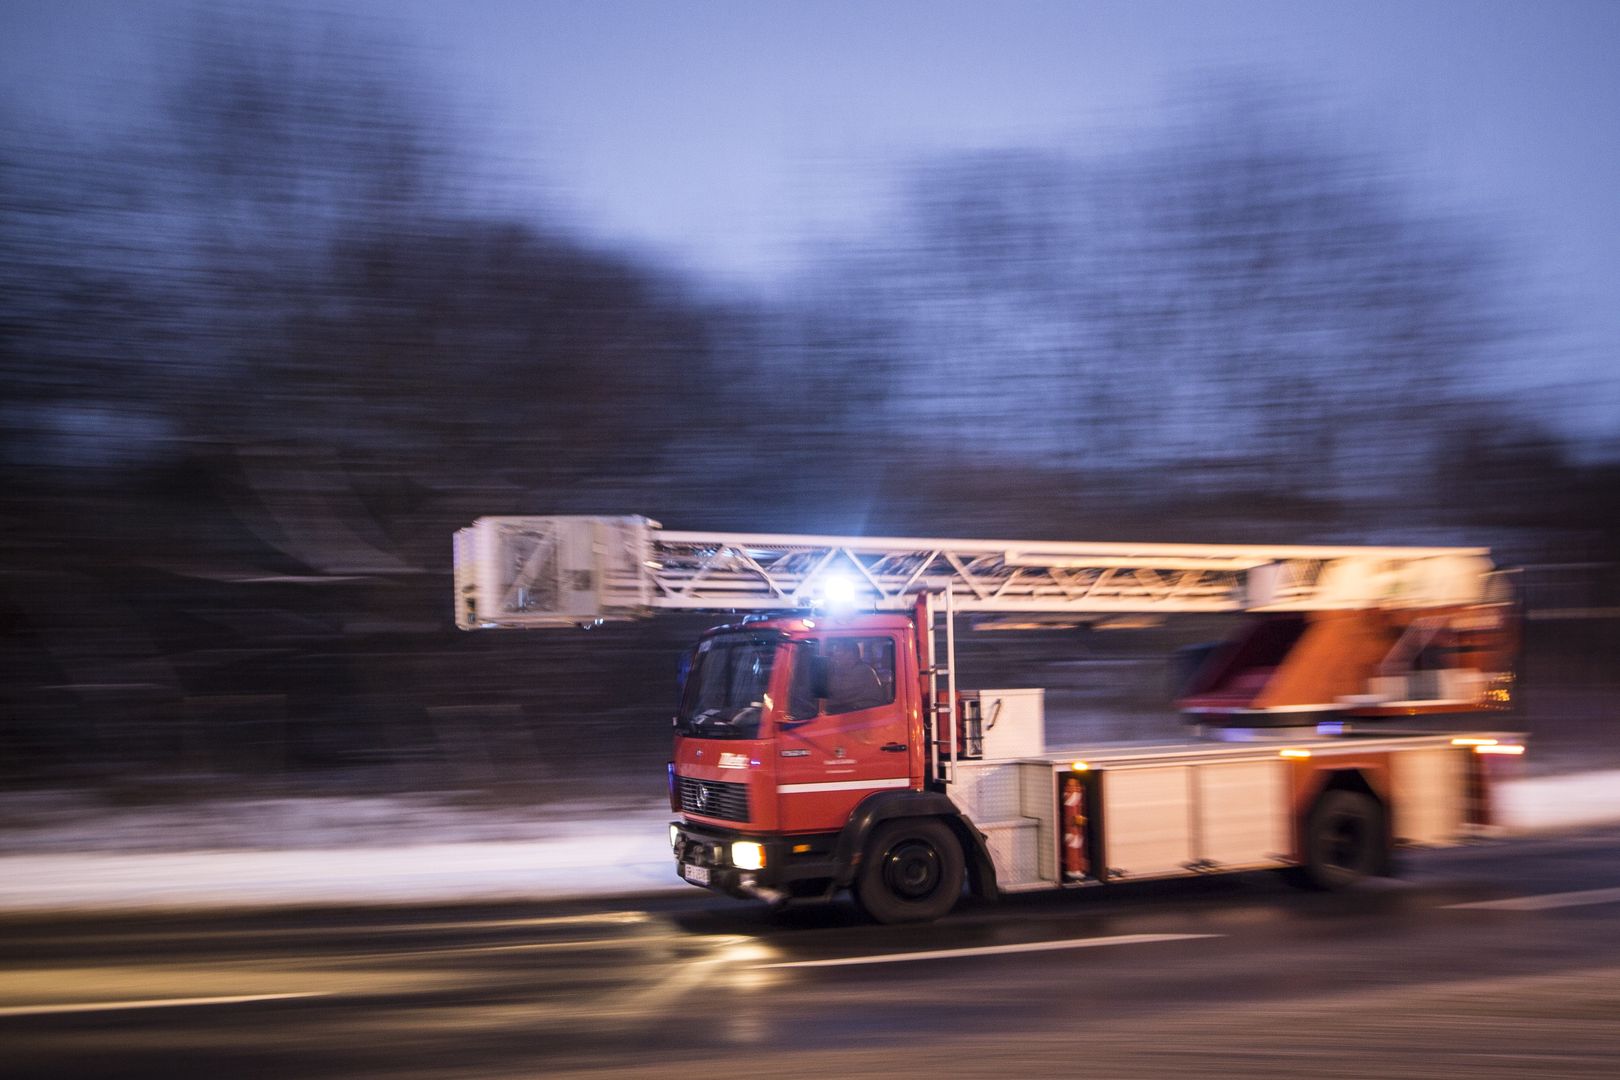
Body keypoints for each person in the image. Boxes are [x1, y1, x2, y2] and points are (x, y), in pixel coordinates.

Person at [825, 638, 887, 713]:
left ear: (850, 653)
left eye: (838, 651)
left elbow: (840, 695)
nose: (835, 655)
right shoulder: (840, 669)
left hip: (857, 716)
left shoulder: (863, 672)